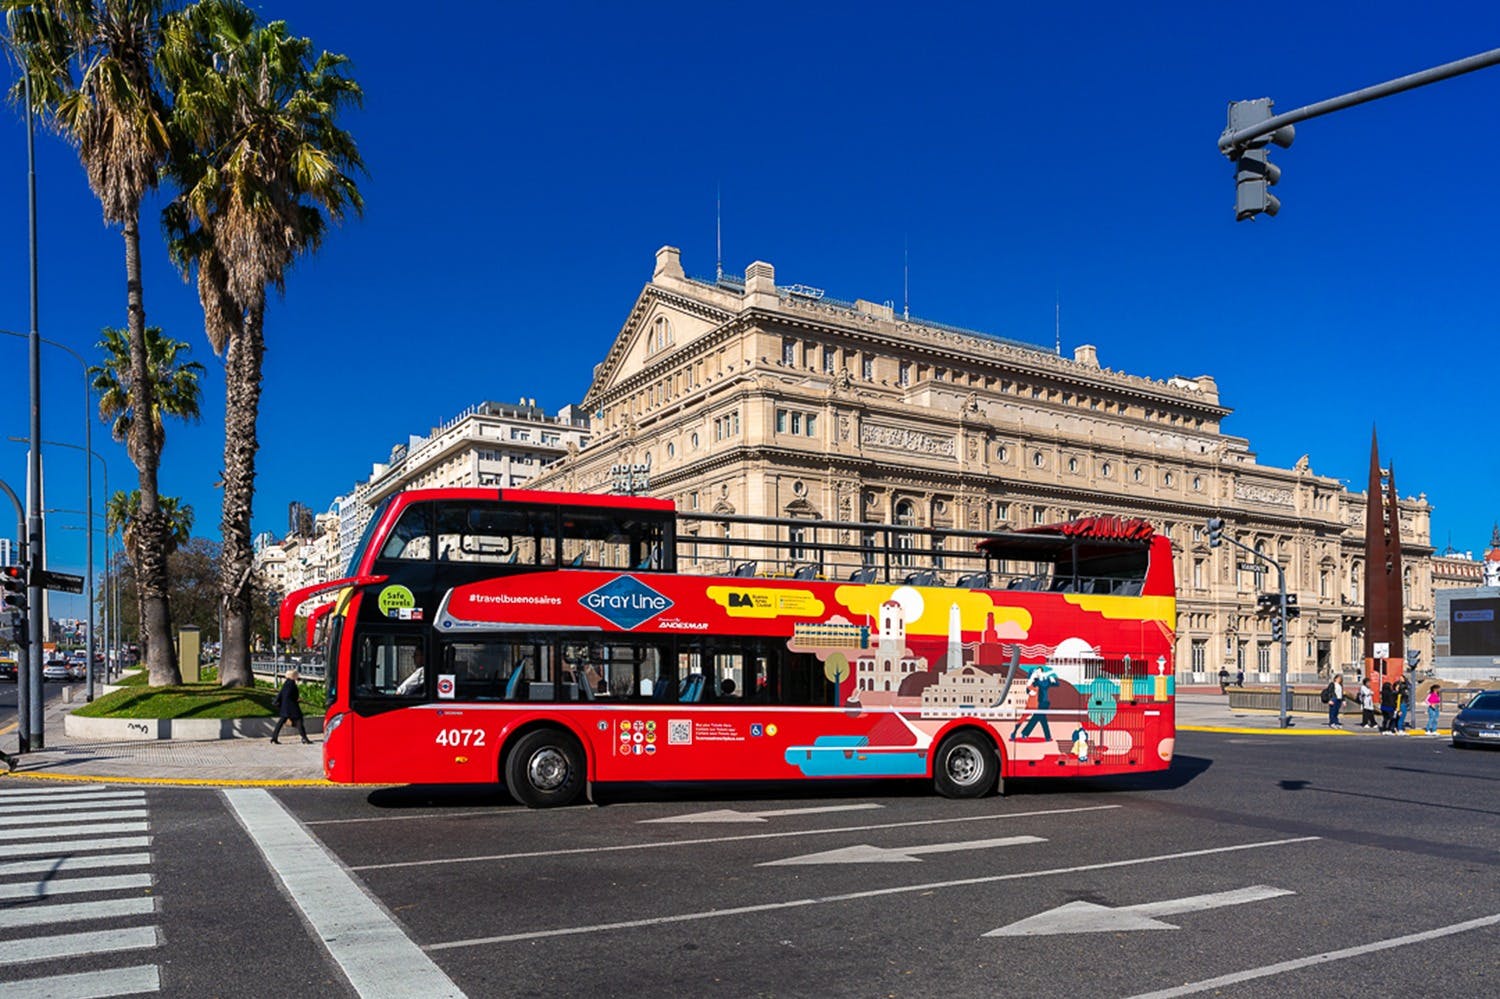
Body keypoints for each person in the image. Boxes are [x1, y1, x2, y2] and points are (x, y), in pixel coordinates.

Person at [271, 668, 312, 745]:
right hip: (292, 707)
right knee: (299, 721)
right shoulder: (292, 684)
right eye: (297, 674)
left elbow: (282, 694)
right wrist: (297, 699)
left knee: (280, 722)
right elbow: (292, 696)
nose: (298, 676)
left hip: (285, 707)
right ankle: (304, 738)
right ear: (294, 676)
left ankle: (274, 737)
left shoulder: (286, 683)